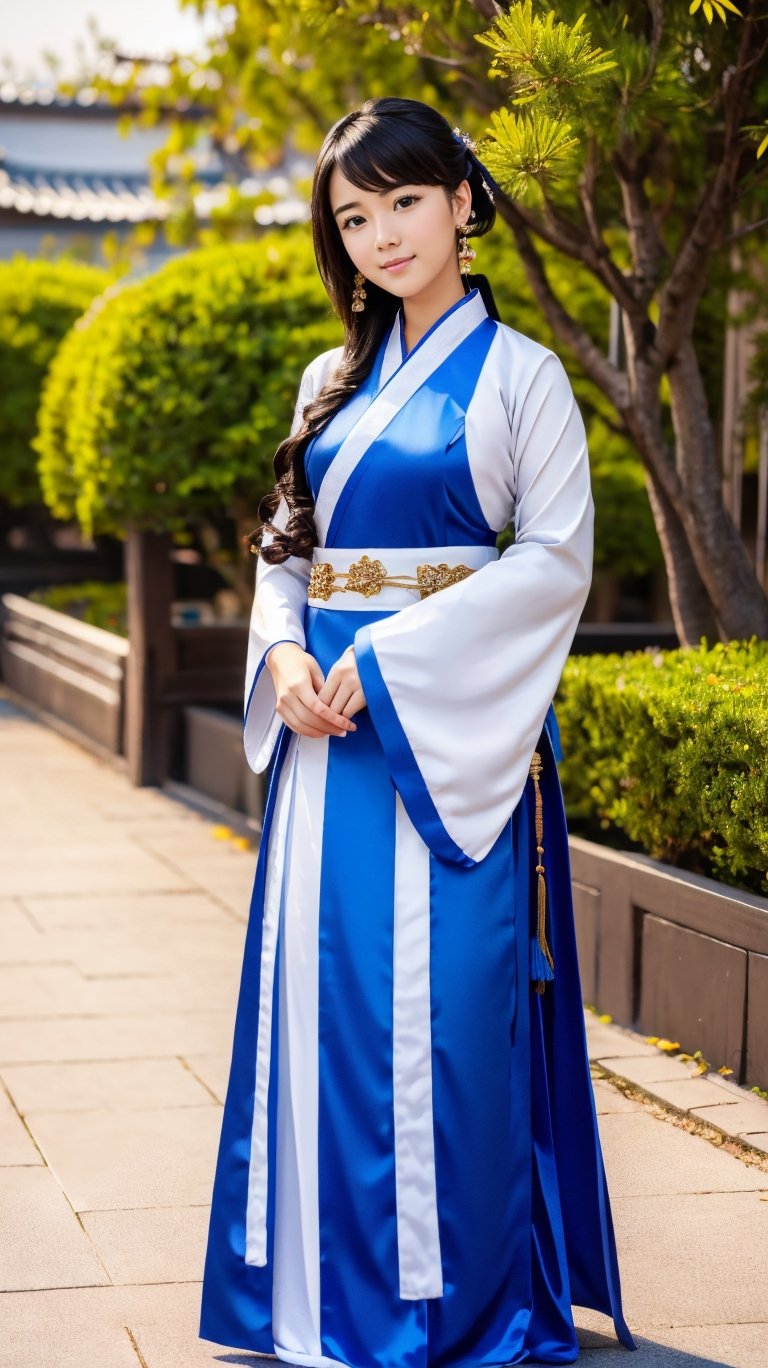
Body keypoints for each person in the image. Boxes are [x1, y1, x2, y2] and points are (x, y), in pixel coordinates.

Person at [199, 95, 637, 1366]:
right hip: (322, 744)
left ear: (460, 202)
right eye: (355, 216)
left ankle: (457, 1303)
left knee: (446, 1021)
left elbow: (554, 563)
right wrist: (284, 650)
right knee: (317, 1013)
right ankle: (303, 1301)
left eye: (404, 202)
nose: (383, 233)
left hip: (447, 742)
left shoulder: (525, 378)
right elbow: (294, 550)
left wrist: (379, 660)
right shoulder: (328, 379)